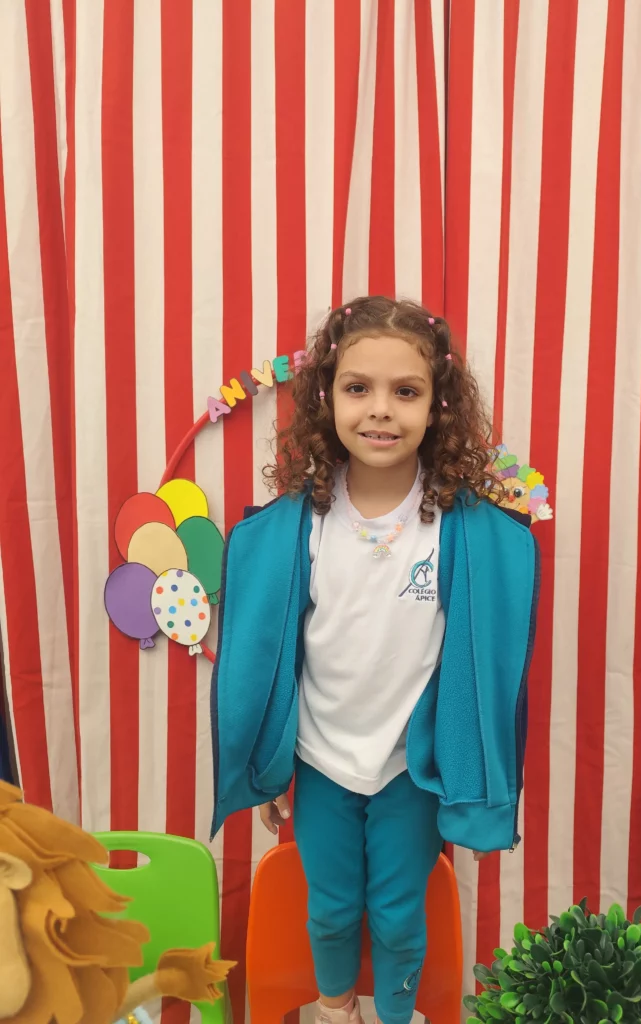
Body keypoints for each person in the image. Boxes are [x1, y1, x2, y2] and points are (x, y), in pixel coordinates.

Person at [211, 296, 539, 1024]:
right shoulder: (299, 524)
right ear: (326, 398)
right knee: (330, 909)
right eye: (358, 388)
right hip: (319, 759)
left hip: (408, 767)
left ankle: (395, 1015)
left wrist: (472, 780)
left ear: (438, 405)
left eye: (406, 391)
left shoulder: (460, 530)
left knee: (396, 915)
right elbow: (270, 660)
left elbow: (482, 670)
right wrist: (269, 761)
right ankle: (337, 1011)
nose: (381, 410)